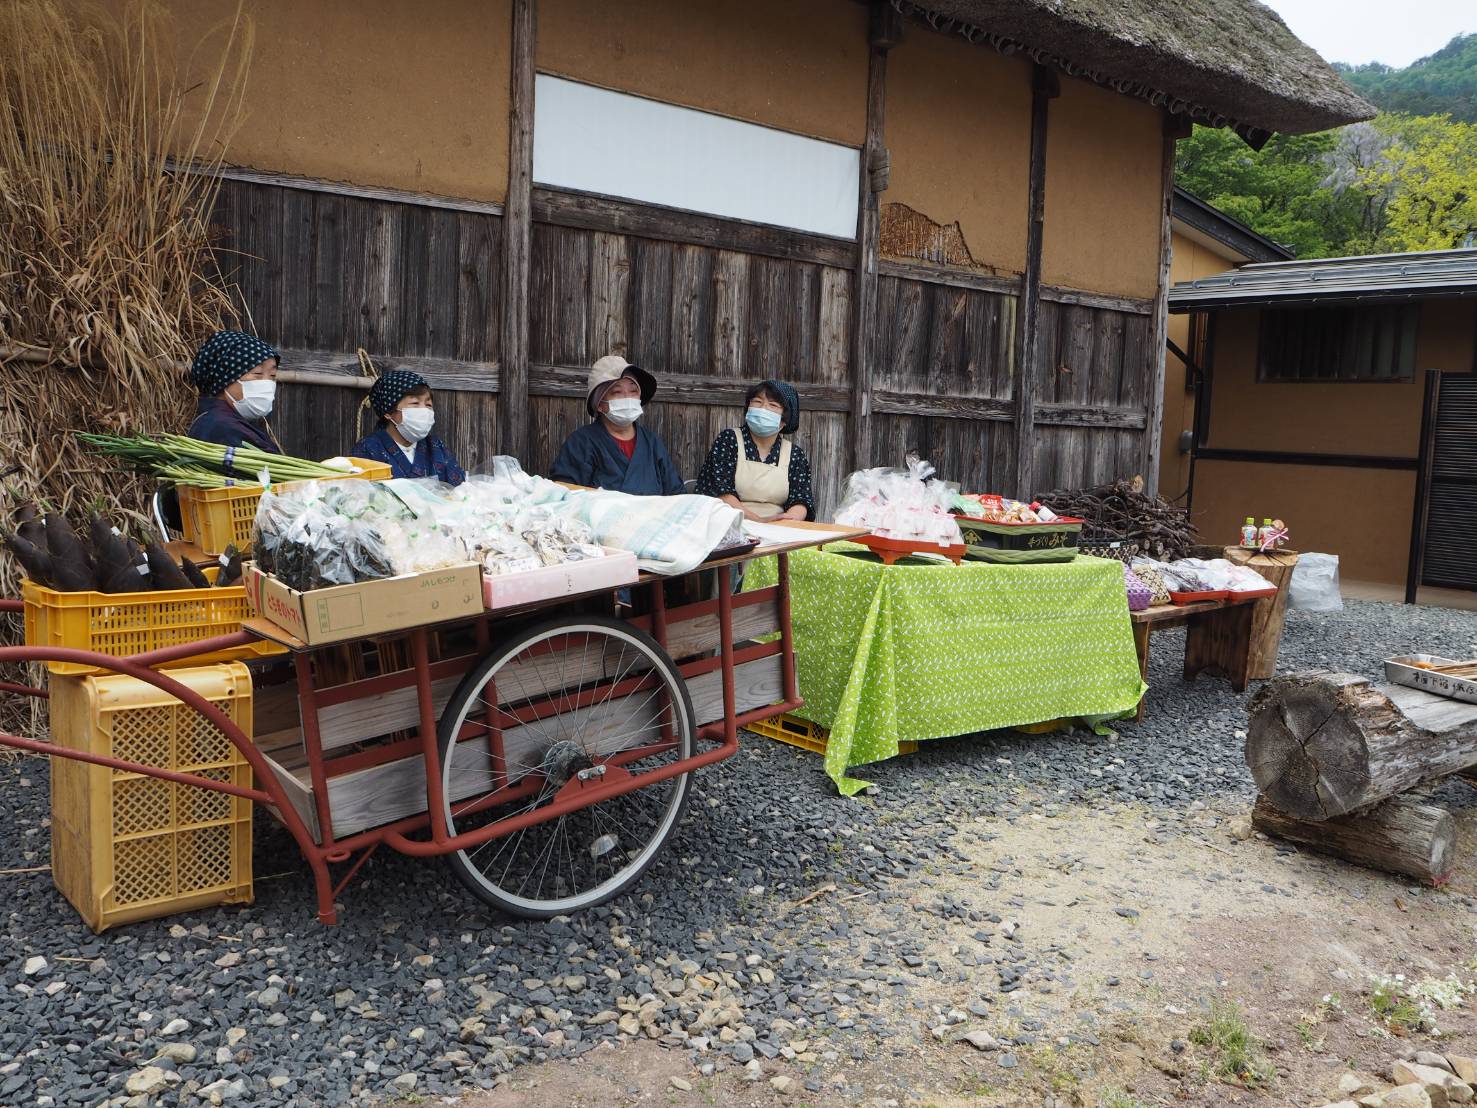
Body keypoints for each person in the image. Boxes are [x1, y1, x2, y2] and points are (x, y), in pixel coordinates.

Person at [549, 355, 683, 495]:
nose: (627, 397)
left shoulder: (653, 443)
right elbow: (564, 494)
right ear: (600, 403)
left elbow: (676, 495)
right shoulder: (581, 443)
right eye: (617, 392)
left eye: (633, 391)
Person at [695, 378, 815, 522]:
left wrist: (787, 522)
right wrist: (759, 521)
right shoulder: (729, 440)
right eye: (757, 402)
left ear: (784, 420)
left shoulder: (794, 454)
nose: (763, 409)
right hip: (731, 523)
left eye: (773, 405)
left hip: (779, 529)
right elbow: (721, 492)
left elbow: (801, 500)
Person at [352, 369, 466, 485]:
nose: (424, 410)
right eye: (415, 403)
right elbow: (360, 495)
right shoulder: (368, 449)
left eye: (428, 405)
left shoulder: (435, 446)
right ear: (389, 412)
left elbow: (460, 489)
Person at [186, 330, 283, 453]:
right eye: (258, 373)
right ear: (224, 378)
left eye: (273, 375)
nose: (267, 383)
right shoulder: (221, 429)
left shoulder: (235, 422)